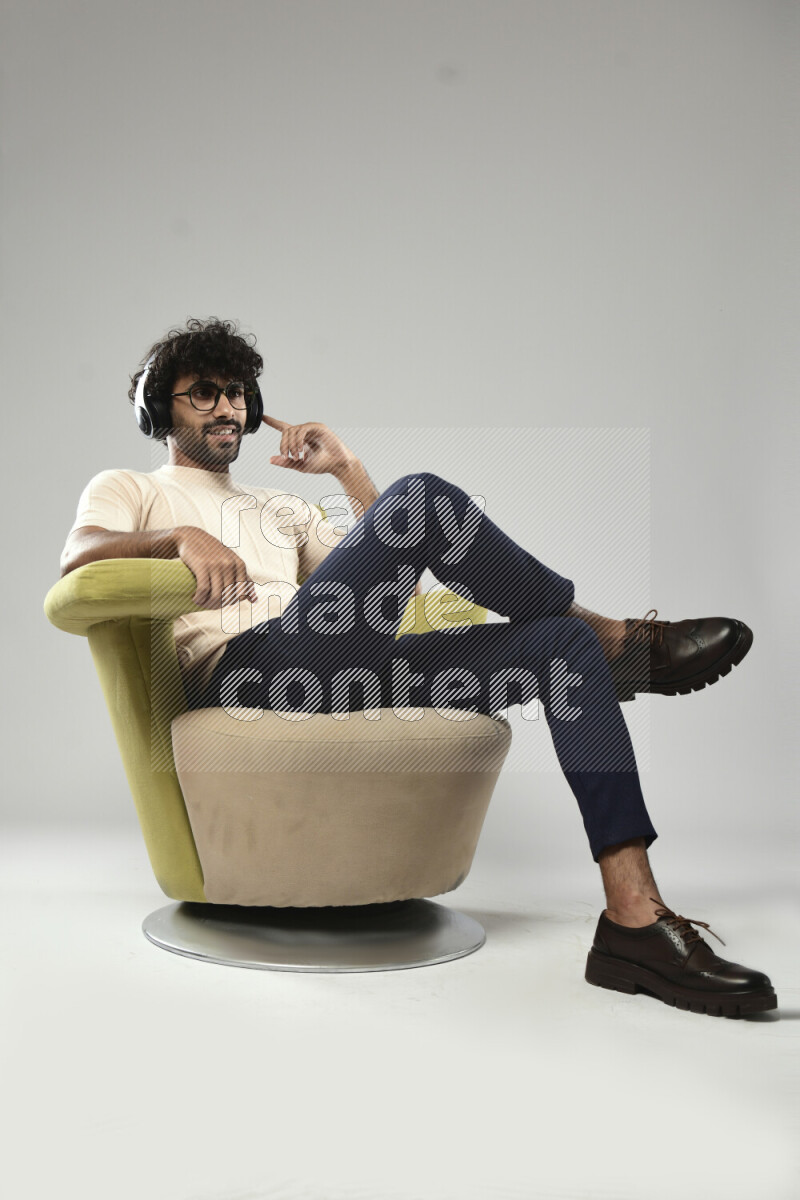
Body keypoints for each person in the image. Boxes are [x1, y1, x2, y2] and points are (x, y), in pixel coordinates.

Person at [59, 316, 776, 1018]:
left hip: (330, 665)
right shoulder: (132, 487)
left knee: (560, 647)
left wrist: (346, 470)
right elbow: (79, 557)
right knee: (424, 497)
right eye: (203, 391)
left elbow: (394, 582)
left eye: (237, 392)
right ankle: (621, 639)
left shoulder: (281, 506)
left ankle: (633, 919)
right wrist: (180, 535)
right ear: (161, 407)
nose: (226, 406)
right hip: (246, 673)